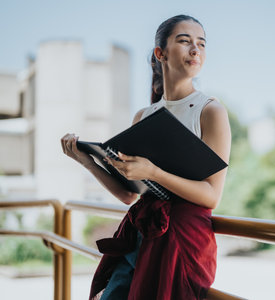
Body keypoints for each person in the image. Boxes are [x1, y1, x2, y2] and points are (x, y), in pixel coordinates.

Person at [60, 15, 231, 300]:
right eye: (184, 41)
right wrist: (86, 160)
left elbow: (212, 195)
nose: (195, 50)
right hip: (140, 232)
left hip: (182, 240)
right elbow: (129, 195)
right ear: (160, 53)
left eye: (201, 43)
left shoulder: (210, 111)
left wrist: (154, 172)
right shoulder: (144, 116)